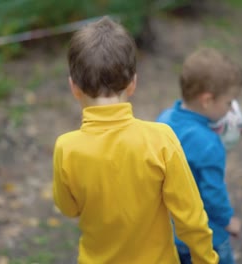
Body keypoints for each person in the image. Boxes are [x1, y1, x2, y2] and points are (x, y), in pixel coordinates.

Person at [52, 17, 218, 264]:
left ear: (74, 87)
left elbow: (69, 208)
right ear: (133, 84)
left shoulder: (67, 148)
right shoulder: (160, 140)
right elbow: (190, 217)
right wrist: (206, 260)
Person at [157, 48, 242, 264]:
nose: (230, 110)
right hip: (208, 236)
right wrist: (227, 221)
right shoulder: (210, 143)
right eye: (228, 103)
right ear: (207, 100)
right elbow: (213, 193)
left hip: (171, 232)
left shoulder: (163, 121)